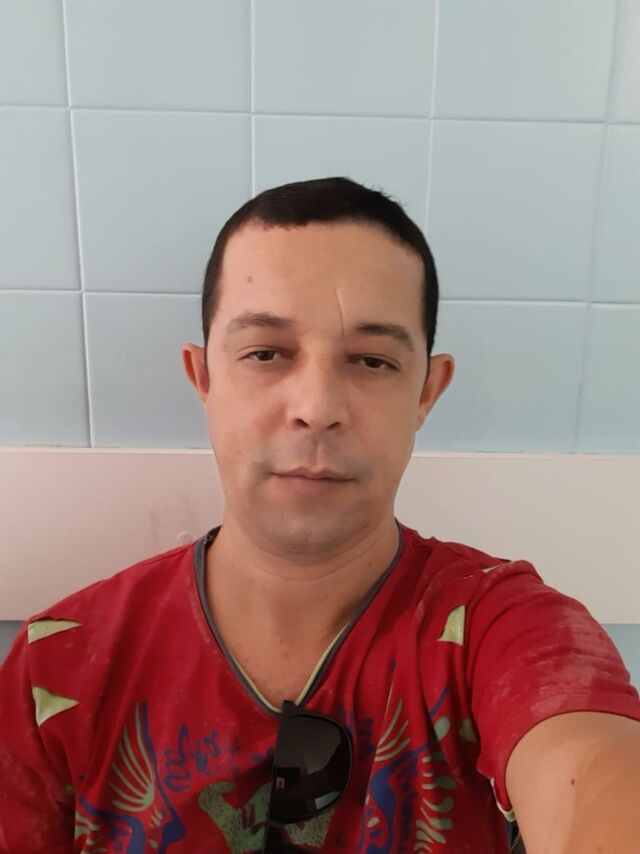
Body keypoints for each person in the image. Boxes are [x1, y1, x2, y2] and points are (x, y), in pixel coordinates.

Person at [0, 177, 639, 854]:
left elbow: (592, 767)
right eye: (266, 353)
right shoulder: (57, 668)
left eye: (372, 361)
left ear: (426, 392)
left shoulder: (504, 628)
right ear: (203, 376)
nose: (317, 408)